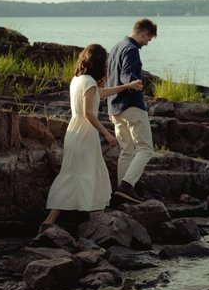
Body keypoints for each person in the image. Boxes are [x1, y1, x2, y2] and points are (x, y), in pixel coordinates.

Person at [40, 45, 143, 230]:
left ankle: (85, 217)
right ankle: (61, 220)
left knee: (81, 172)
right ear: (98, 62)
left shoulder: (78, 79)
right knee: (83, 173)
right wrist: (107, 133)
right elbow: (89, 113)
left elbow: (101, 93)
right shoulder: (88, 82)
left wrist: (126, 86)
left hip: (76, 131)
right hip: (84, 133)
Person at [107, 18, 157, 203]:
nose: (147, 43)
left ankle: (121, 193)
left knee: (126, 151)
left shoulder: (115, 48)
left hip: (114, 107)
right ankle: (127, 185)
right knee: (145, 149)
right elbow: (125, 74)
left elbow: (112, 75)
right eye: (148, 39)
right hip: (132, 105)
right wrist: (134, 82)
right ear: (144, 33)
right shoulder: (132, 49)